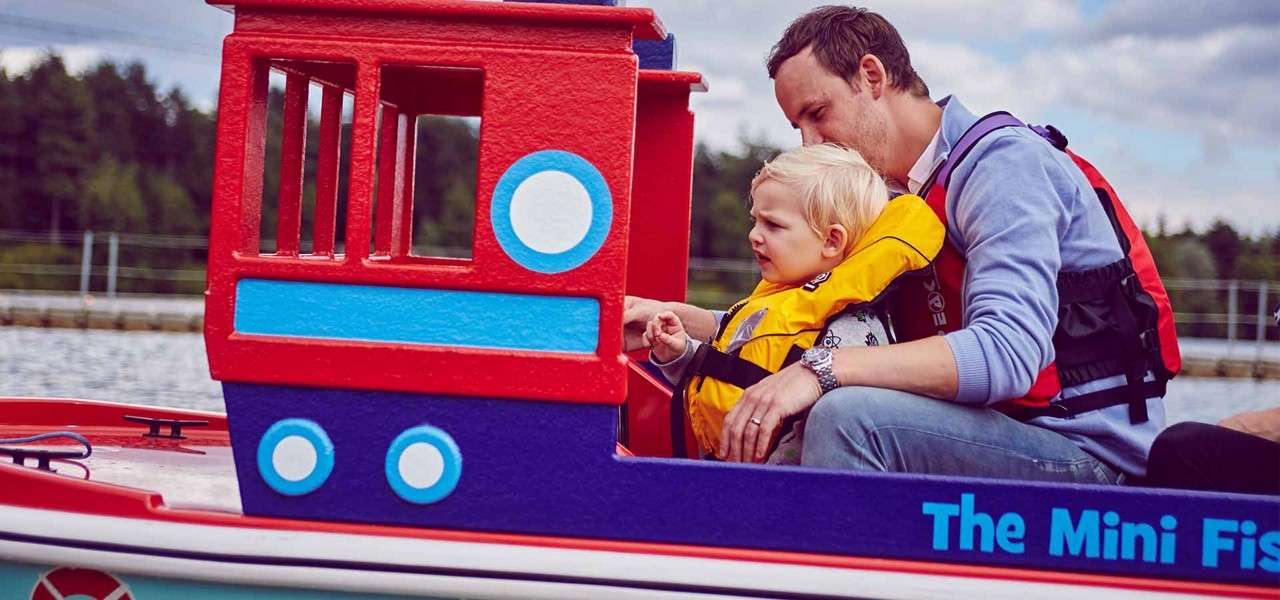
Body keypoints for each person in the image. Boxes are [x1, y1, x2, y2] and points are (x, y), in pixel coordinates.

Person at [624, 5, 1170, 485]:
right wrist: (677, 320)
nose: (811, 142)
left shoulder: (1004, 167)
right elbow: (809, 326)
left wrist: (819, 371)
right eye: (798, 127)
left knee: (847, 416)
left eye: (818, 114)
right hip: (989, 429)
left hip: (1082, 454)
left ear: (871, 75)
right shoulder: (891, 197)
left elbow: (1008, 355)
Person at [644, 143, 941, 462]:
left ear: (831, 241)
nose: (754, 235)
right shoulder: (769, 304)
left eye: (773, 225)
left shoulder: (852, 332)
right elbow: (734, 375)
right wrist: (680, 354)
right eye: (755, 221)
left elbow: (837, 425)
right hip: (727, 474)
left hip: (781, 492)